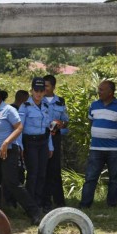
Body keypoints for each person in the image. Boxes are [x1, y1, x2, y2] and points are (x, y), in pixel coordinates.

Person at [0, 85, 41, 225]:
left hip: (9, 150)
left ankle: (34, 212)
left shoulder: (9, 110)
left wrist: (6, 142)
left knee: (12, 183)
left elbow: (19, 128)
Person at [79, 81, 117, 209]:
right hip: (96, 148)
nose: (99, 92)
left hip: (114, 149)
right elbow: (91, 123)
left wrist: (113, 137)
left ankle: (111, 205)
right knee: (91, 177)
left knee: (114, 179)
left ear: (110, 92)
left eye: (102, 90)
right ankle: (85, 205)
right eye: (99, 89)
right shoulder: (94, 106)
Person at [18, 77, 53, 213]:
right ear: (31, 91)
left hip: (43, 142)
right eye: (36, 90)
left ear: (44, 92)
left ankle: (38, 203)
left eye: (41, 91)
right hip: (30, 142)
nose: (38, 93)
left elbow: (48, 128)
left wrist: (51, 146)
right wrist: (20, 146)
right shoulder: (25, 107)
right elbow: (19, 128)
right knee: (33, 174)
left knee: (42, 174)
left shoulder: (45, 106)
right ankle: (30, 205)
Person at [41, 74, 69, 211]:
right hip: (42, 137)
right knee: (43, 170)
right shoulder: (37, 100)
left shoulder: (60, 101)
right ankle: (44, 202)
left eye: (46, 86)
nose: (44, 88)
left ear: (53, 86)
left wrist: (60, 125)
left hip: (55, 137)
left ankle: (59, 202)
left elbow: (66, 121)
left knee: (55, 170)